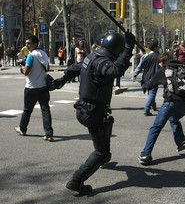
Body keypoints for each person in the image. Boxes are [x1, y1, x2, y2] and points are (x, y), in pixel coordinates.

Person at [51, 32, 135, 195]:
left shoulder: (92, 56)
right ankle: (77, 180)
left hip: (84, 109)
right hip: (93, 113)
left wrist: (61, 80)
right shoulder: (103, 61)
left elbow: (75, 68)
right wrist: (128, 48)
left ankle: (101, 158)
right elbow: (115, 71)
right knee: (101, 152)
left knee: (105, 132)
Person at [138, 52, 185, 165]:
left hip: (170, 103)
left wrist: (147, 80)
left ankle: (145, 154)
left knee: (156, 128)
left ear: (163, 61)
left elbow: (149, 85)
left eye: (160, 62)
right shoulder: (184, 68)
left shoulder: (164, 70)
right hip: (184, 105)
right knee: (173, 118)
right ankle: (181, 141)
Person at [14, 35, 54, 141]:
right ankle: (48, 133)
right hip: (43, 87)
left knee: (27, 110)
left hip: (31, 87)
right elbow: (47, 68)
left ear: (35, 44)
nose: (26, 45)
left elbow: (26, 72)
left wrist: (21, 68)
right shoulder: (44, 54)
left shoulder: (31, 55)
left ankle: (22, 129)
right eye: (26, 43)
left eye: (29, 43)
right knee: (45, 110)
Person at [132, 41, 160, 116]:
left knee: (151, 93)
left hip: (146, 77)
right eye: (157, 47)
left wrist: (134, 75)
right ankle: (147, 109)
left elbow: (140, 67)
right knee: (152, 93)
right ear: (155, 48)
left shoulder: (145, 57)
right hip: (154, 77)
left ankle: (153, 106)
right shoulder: (158, 56)